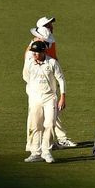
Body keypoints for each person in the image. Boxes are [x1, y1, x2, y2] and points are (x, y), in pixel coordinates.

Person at [35, 16, 77, 148]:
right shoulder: (36, 45)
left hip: (51, 78)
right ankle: (56, 140)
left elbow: (54, 58)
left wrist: (58, 76)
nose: (52, 27)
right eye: (48, 25)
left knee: (53, 111)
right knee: (48, 112)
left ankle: (53, 140)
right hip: (42, 83)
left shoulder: (50, 41)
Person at [23, 41, 66, 163]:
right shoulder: (30, 63)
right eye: (33, 52)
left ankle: (46, 151)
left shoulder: (52, 63)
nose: (35, 54)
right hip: (35, 98)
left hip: (50, 98)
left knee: (50, 125)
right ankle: (35, 152)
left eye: (37, 52)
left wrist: (63, 96)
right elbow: (26, 77)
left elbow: (61, 79)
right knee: (35, 125)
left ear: (43, 52)